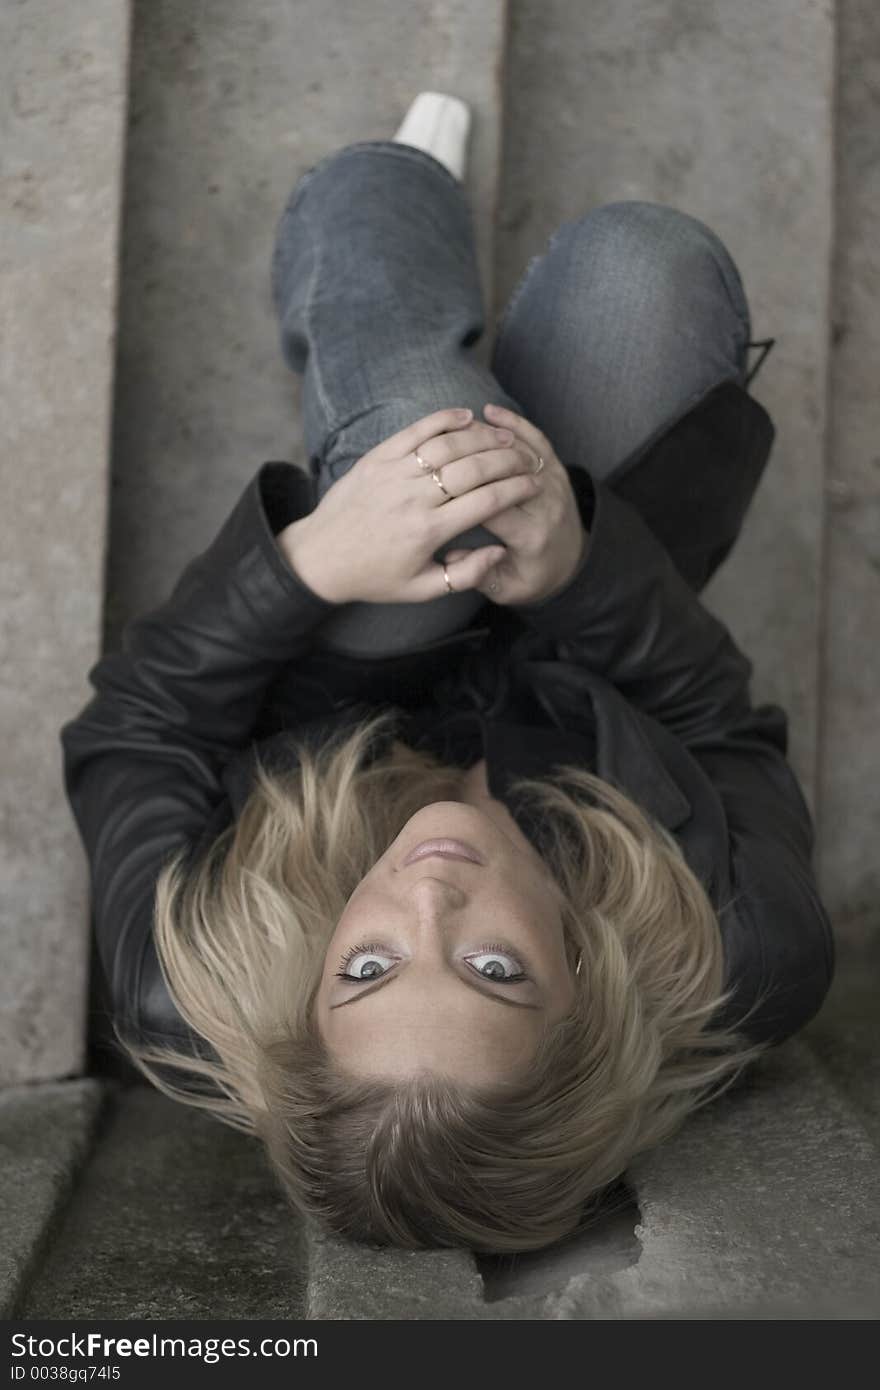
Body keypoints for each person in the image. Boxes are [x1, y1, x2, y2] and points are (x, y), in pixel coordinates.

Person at [60, 93, 834, 1255]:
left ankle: (378, 205)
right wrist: (581, 566)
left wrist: (316, 559)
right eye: (490, 967)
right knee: (645, 265)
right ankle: (421, 364)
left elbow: (139, 726)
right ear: (585, 1002)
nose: (428, 895)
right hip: (594, 609)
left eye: (367, 967)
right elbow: (722, 728)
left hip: (362, 640)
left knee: (420, 430)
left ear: (301, 1016)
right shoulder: (743, 951)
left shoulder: (187, 985)